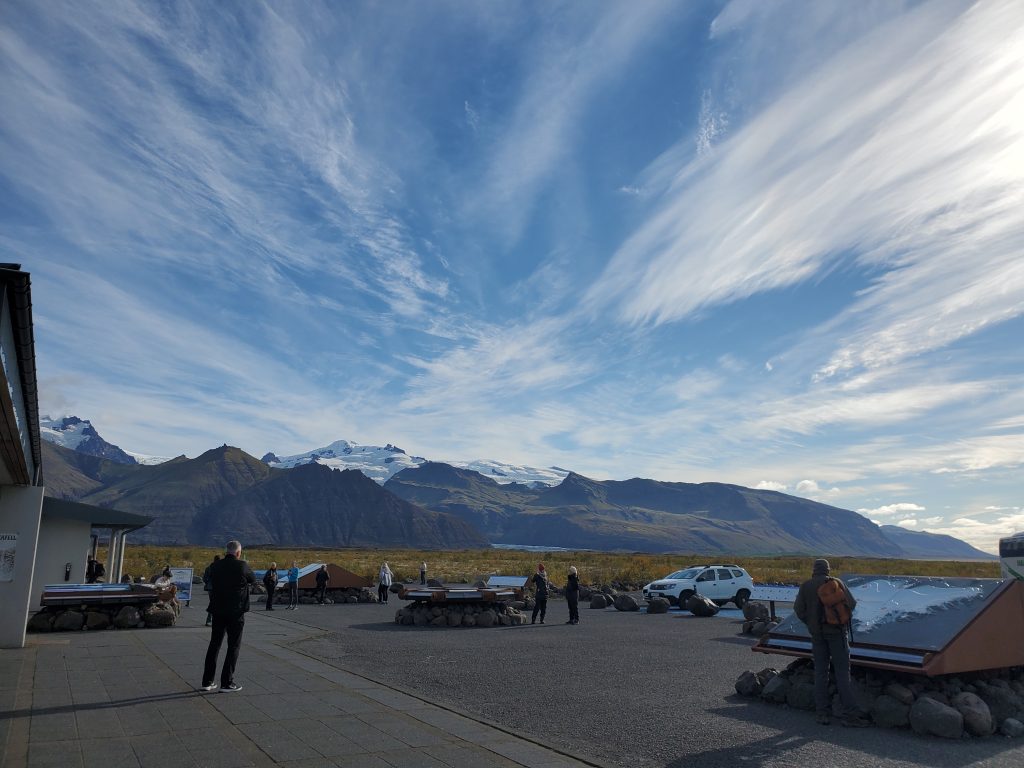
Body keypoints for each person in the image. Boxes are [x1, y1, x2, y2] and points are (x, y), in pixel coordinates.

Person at [793, 559, 870, 727]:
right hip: (837, 634)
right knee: (843, 673)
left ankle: (822, 713)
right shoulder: (836, 583)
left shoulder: (806, 586)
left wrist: (811, 623)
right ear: (827, 570)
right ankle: (850, 714)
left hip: (817, 636)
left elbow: (798, 609)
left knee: (821, 672)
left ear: (814, 570)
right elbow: (852, 603)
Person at [201, 540, 255, 693]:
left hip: (217, 610)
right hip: (235, 612)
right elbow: (252, 579)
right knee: (233, 646)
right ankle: (227, 681)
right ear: (238, 553)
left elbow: (208, 579)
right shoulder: (242, 565)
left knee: (214, 644)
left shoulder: (215, 565)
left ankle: (207, 681)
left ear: (226, 551)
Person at [203, 555, 221, 626]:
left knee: (213, 603)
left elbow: (204, 578)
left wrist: (208, 583)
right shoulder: (220, 568)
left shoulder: (209, 568)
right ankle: (211, 619)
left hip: (210, 588)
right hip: (218, 588)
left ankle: (210, 620)